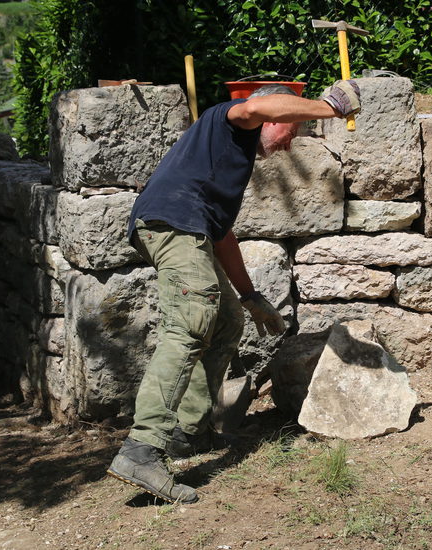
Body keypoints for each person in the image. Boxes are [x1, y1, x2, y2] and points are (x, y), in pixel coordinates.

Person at [106, 82, 361, 503]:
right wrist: (328, 108)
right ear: (274, 116)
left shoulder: (228, 160)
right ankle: (141, 450)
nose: (289, 142)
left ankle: (190, 433)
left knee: (225, 320)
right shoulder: (230, 121)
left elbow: (222, 235)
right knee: (190, 322)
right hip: (173, 223)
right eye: (291, 130)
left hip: (183, 226)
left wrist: (249, 296)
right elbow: (253, 107)